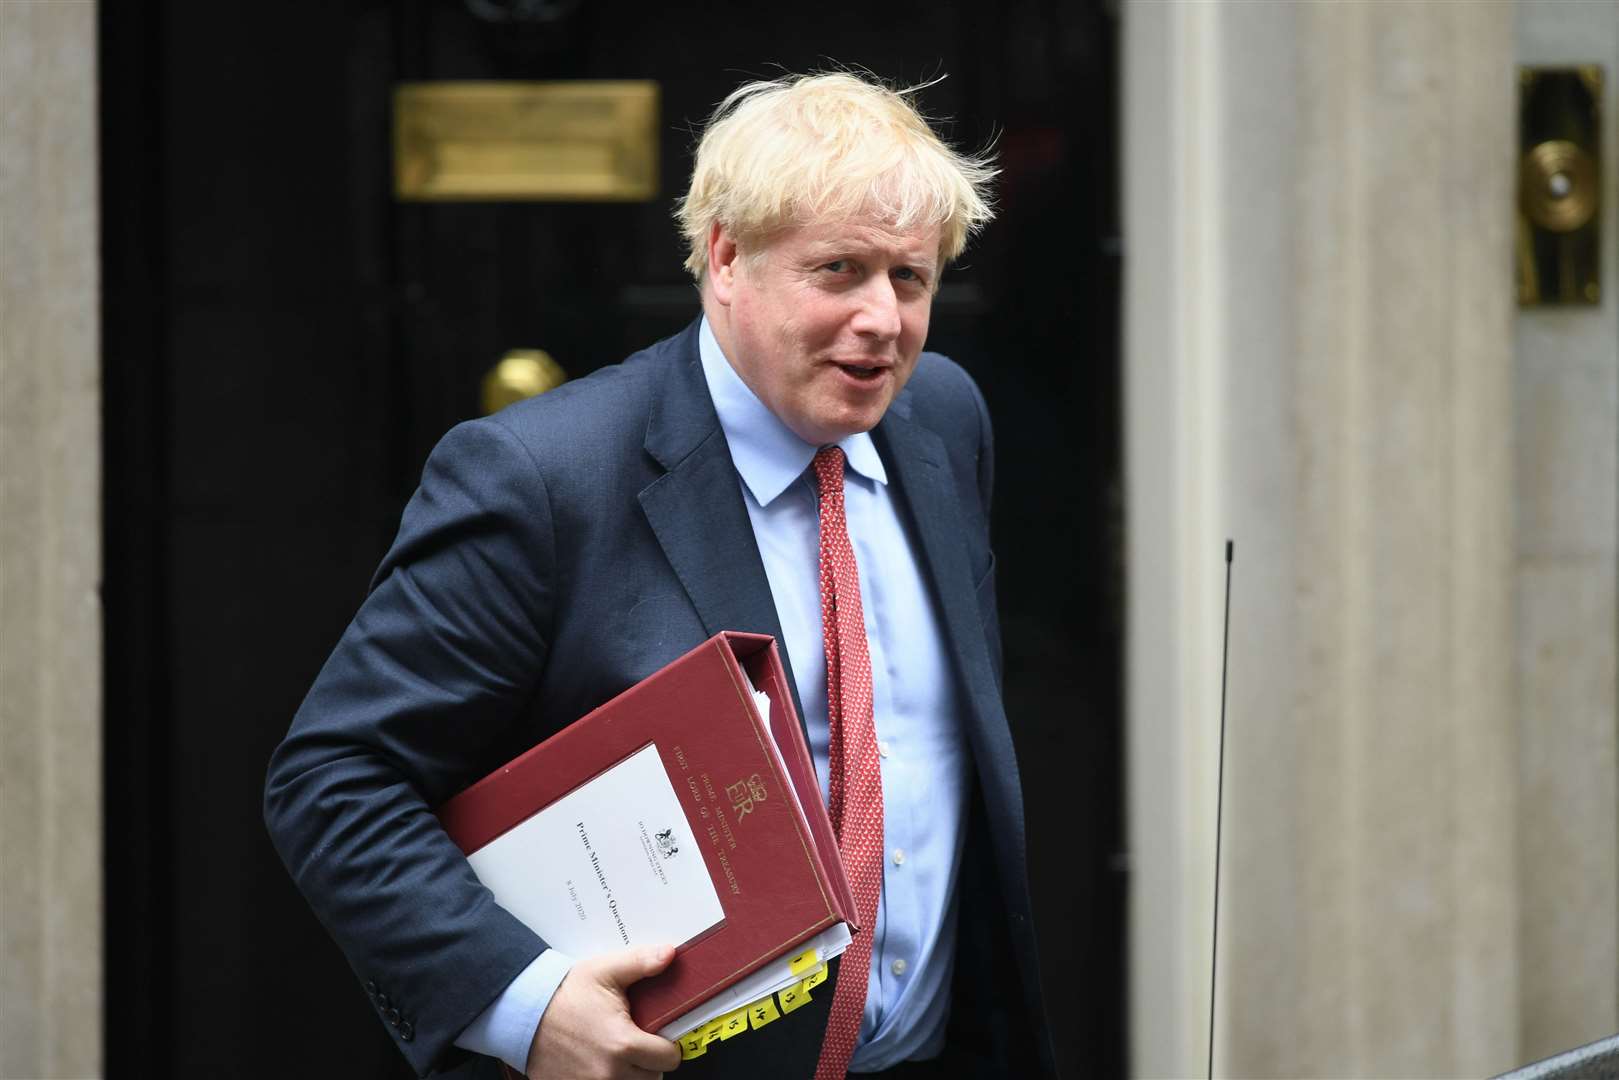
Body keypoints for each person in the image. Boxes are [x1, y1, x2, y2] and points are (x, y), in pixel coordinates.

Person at [264, 71, 1054, 1080]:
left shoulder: (942, 420)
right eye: (837, 270)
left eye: (907, 279)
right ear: (725, 257)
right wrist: (525, 1003)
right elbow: (334, 781)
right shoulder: (546, 479)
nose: (880, 321)